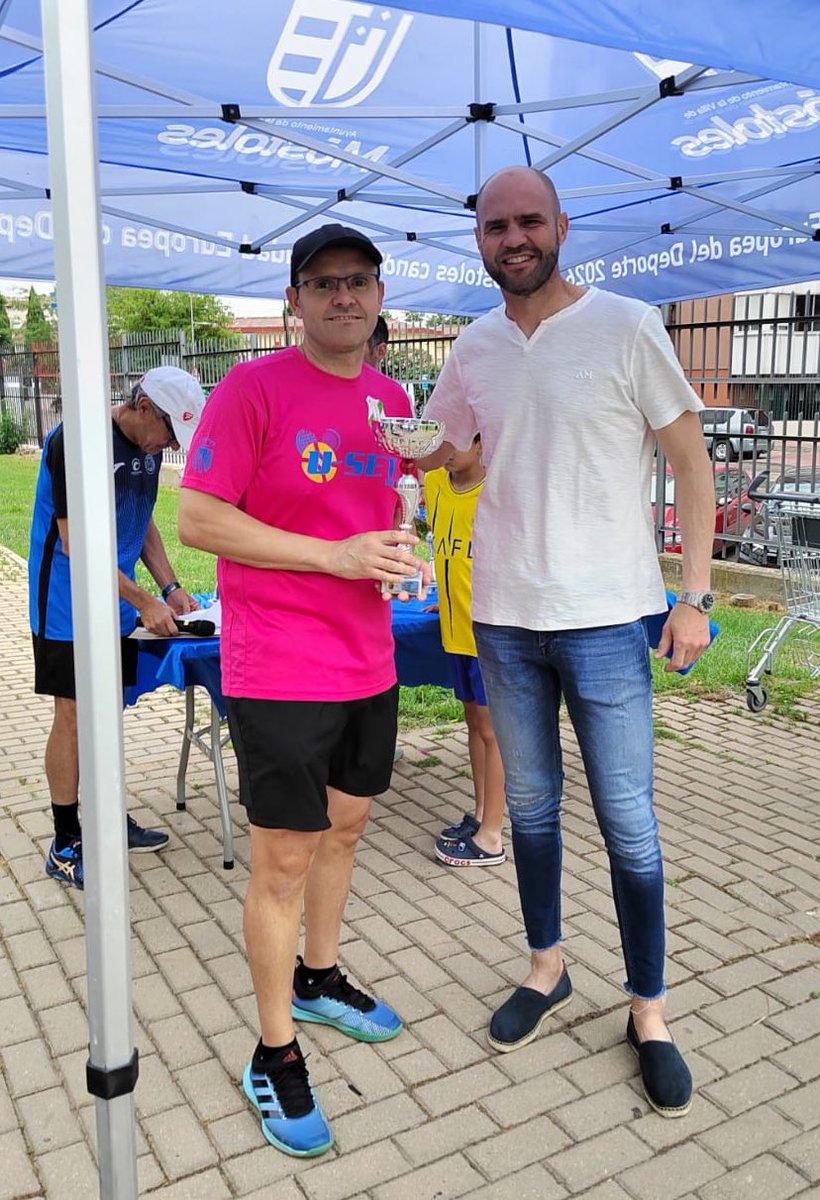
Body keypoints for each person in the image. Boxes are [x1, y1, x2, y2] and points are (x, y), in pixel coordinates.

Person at [422, 167, 716, 1119]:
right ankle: (546, 968)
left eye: (528, 221)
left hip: (604, 616)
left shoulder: (628, 326)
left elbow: (692, 468)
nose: (513, 237)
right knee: (536, 813)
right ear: (479, 239)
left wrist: (696, 597)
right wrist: (439, 459)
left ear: (561, 227)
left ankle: (650, 1010)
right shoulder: (472, 347)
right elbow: (457, 463)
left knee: (628, 820)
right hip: (505, 615)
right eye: (495, 224)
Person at [178, 223, 423, 1158]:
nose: (343, 297)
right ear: (295, 300)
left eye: (358, 281)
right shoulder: (252, 388)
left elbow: (378, 505)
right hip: (279, 664)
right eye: (323, 284)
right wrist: (334, 555)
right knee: (282, 859)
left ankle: (320, 979)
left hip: (368, 658)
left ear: (377, 293)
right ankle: (272, 1050)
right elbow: (199, 517)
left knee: (347, 827)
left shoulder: (390, 395)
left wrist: (390, 549)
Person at [29, 366, 206, 890]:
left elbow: (142, 517)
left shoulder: (147, 452)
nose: (171, 445)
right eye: (170, 432)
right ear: (143, 406)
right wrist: (145, 599)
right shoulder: (76, 442)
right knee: (75, 714)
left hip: (118, 601)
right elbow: (74, 543)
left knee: (106, 712)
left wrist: (169, 587)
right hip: (66, 602)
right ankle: (64, 843)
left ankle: (105, 820)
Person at [424, 434, 506, 866]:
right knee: (474, 723)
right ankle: (479, 815)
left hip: (489, 633)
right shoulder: (436, 483)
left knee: (495, 732)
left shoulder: (496, 490)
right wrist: (449, 591)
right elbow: (449, 551)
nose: (445, 449)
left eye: (455, 440)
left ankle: (493, 835)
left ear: (481, 443)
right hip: (455, 630)